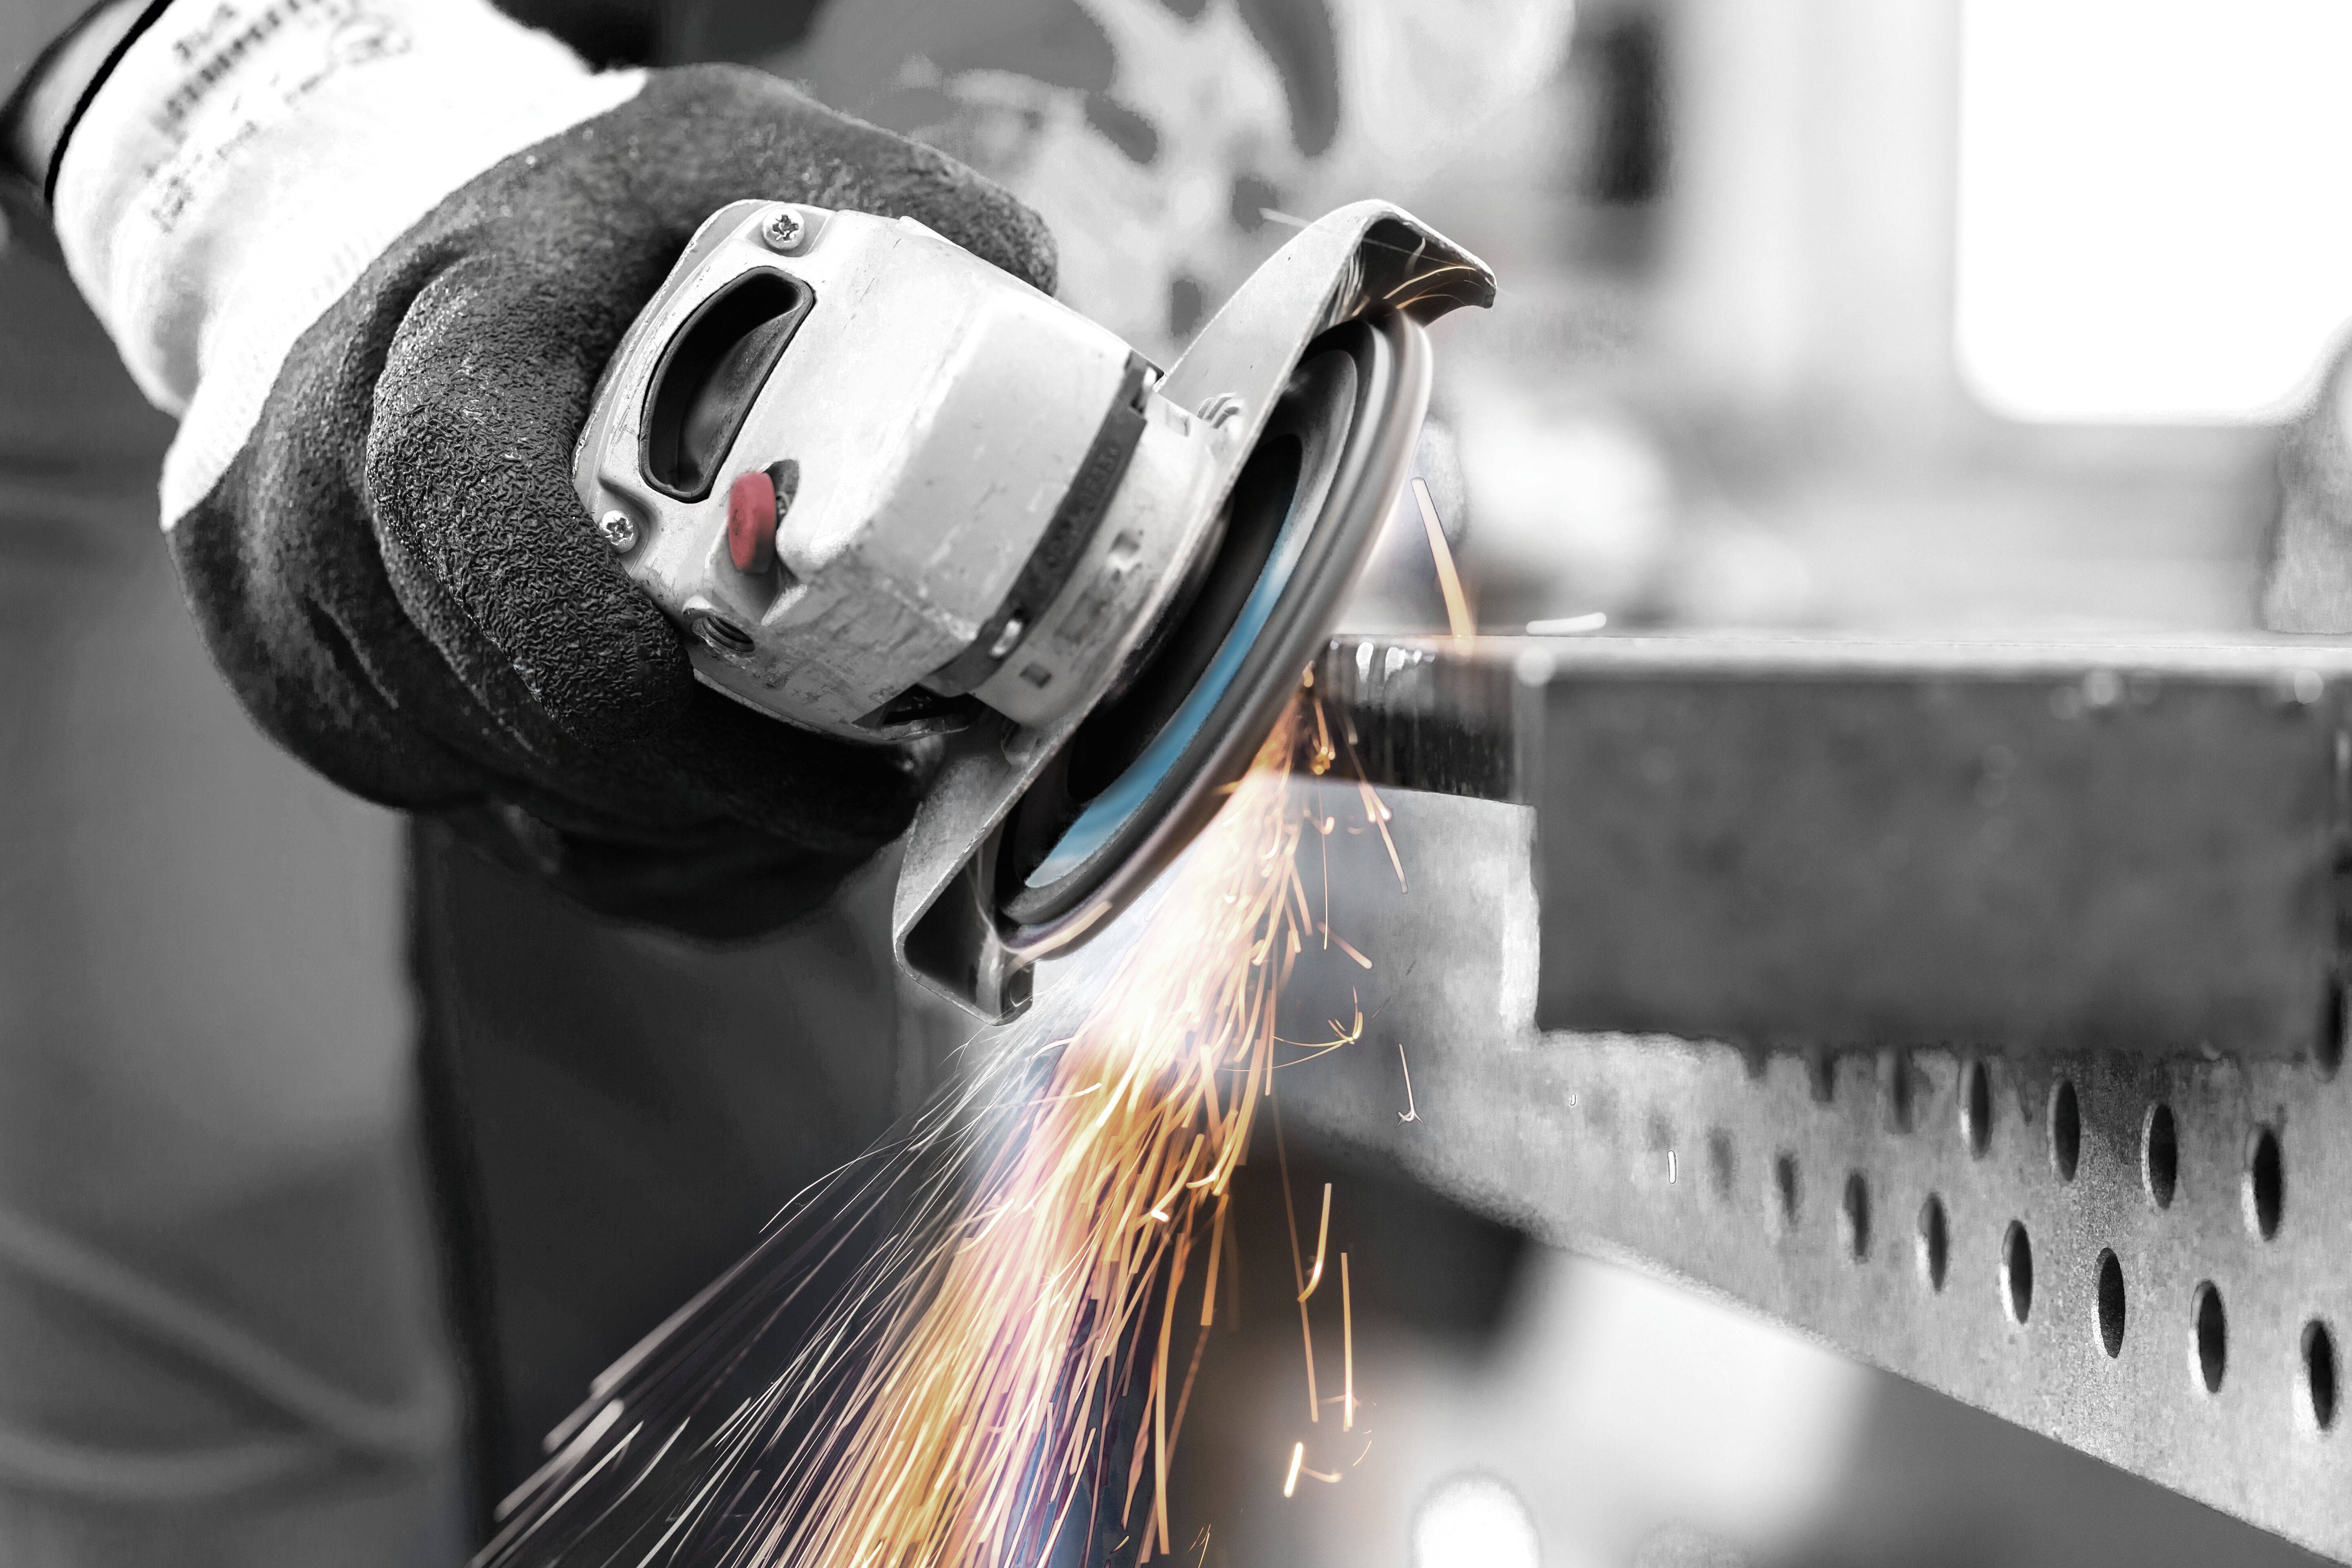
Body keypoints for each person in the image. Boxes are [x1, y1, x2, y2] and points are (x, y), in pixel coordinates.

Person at [0, 2, 1565, 1560]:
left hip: (747, 139)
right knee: (219, 1367)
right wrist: (214, 99)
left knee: (727, 1398)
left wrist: (1046, 146)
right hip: (69, 262)